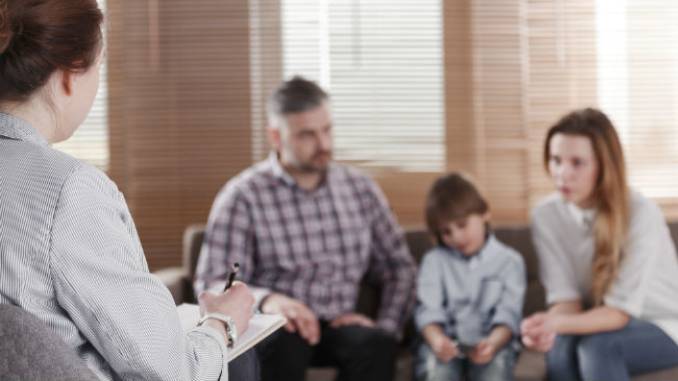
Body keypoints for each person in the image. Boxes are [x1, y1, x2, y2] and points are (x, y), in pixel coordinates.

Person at [0, 1, 255, 380]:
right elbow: (172, 373)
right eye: (99, 66)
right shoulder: (69, 193)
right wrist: (222, 322)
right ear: (71, 74)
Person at [195, 76, 417, 381]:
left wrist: (385, 326)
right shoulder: (242, 196)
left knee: (375, 345)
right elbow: (213, 280)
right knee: (281, 348)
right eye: (307, 135)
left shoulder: (361, 189)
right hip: (277, 327)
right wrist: (270, 301)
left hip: (343, 324)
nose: (324, 144)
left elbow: (398, 267)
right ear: (276, 136)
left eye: (327, 130)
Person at [521, 108, 678, 380]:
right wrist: (546, 327)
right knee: (560, 347)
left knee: (600, 348)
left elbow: (618, 314)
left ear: (603, 167)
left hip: (662, 324)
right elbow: (566, 299)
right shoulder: (546, 215)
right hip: (597, 318)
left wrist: (555, 322)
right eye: (556, 160)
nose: (562, 174)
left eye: (577, 163)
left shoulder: (641, 214)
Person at [413, 173, 526, 381]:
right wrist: (438, 340)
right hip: (443, 345)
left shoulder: (510, 261)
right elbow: (428, 312)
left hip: (493, 344)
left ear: (485, 213)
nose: (456, 237)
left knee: (495, 373)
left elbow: (509, 315)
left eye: (462, 225)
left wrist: (492, 343)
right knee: (438, 373)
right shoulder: (433, 261)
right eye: (446, 232)